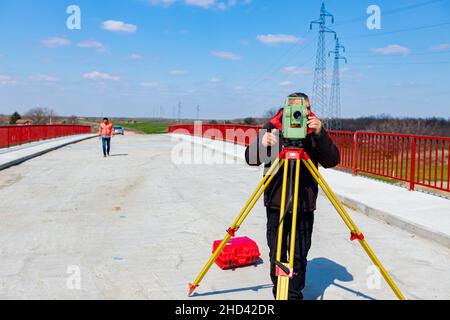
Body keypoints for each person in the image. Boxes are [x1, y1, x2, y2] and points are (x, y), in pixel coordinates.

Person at [245, 92, 340, 300]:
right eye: (297, 108)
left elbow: (332, 160)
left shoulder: (313, 130)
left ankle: (294, 295)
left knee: (299, 255)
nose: (301, 113)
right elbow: (250, 159)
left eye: (306, 108)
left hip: (303, 205)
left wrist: (320, 133)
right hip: (276, 203)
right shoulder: (273, 128)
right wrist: (263, 143)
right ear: (285, 108)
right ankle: (279, 294)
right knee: (276, 253)